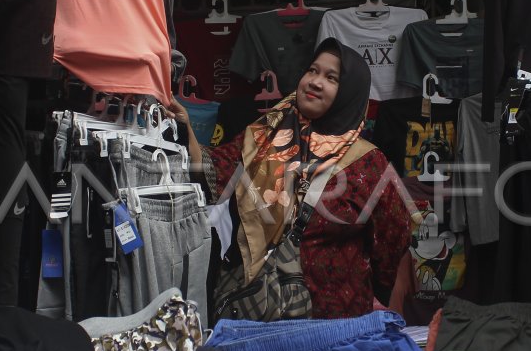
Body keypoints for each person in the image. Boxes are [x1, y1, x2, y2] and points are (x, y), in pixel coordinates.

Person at [169, 38, 412, 319]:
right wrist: (185, 129)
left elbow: (393, 240)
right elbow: (217, 171)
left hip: (335, 325)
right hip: (261, 315)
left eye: (331, 77)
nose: (315, 81)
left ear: (349, 92)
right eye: (312, 70)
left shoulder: (369, 164)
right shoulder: (264, 137)